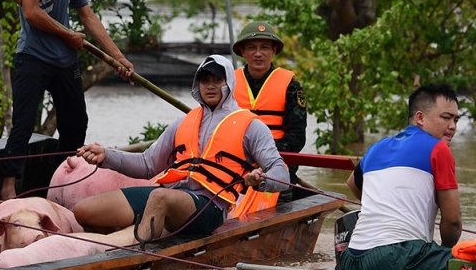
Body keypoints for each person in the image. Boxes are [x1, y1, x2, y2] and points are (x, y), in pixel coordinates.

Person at [0, 0, 135, 203]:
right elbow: (31, 11)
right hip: (34, 56)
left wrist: (118, 57)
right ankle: (8, 185)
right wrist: (67, 34)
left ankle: (58, 183)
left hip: (63, 59)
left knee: (76, 122)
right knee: (23, 122)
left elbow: (87, 15)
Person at [74, 55, 289, 243]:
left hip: (210, 206)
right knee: (83, 211)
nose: (210, 86)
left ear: (229, 83)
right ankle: (128, 240)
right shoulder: (183, 122)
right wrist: (106, 156)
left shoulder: (251, 125)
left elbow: (282, 173)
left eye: (217, 80)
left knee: (159, 197)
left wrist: (261, 181)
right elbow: (147, 165)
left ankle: (139, 256)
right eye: (205, 80)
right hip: (172, 196)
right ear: (197, 84)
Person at [336, 83, 462, 270]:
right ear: (420, 117)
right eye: (446, 118)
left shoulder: (377, 148)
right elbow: (453, 222)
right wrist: (444, 255)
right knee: (474, 264)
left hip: (352, 258)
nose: (453, 126)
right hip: (396, 257)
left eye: (456, 119)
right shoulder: (438, 149)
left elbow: (352, 183)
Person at [231, 20, 307, 200]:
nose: (258, 53)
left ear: (273, 51)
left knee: (280, 194)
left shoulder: (291, 86)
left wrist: (261, 153)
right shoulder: (229, 84)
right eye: (252, 48)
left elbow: (297, 139)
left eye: (264, 47)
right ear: (243, 52)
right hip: (235, 162)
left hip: (277, 164)